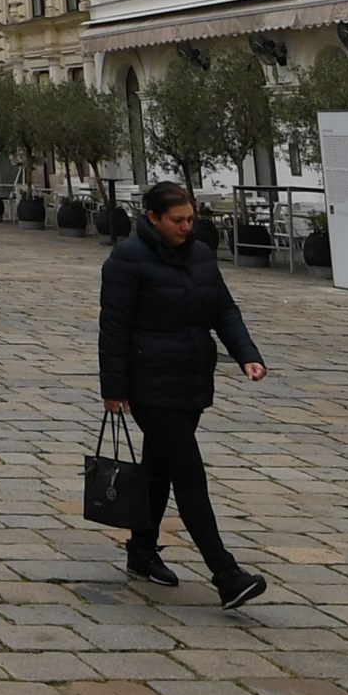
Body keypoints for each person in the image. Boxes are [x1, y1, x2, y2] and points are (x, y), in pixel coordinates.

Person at [98, 177, 269, 608]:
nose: (186, 227)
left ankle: (141, 549)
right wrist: (113, 388)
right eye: (177, 220)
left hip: (192, 378)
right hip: (149, 384)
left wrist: (247, 354)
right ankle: (225, 574)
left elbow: (223, 309)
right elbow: (113, 328)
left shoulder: (201, 256)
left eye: (191, 219)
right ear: (153, 218)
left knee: (159, 468)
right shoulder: (127, 260)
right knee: (189, 474)